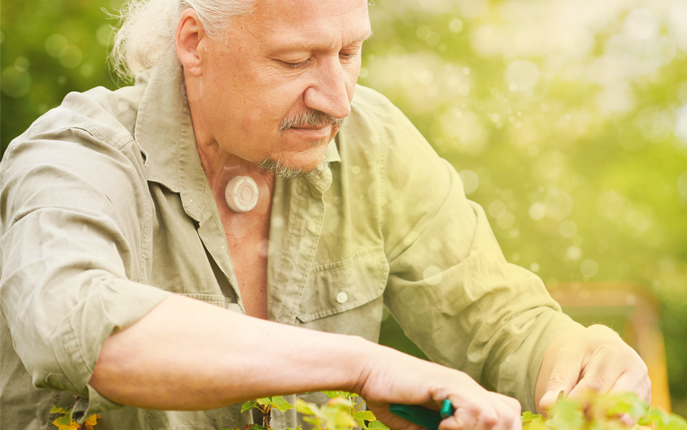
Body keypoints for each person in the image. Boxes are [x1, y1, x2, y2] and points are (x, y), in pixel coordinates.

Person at [0, 0, 650, 429]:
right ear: (194, 43)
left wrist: (573, 351)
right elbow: (82, 326)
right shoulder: (75, 154)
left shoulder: (375, 143)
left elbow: (497, 321)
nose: (337, 99)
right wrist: (361, 363)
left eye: (348, 53)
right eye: (294, 60)